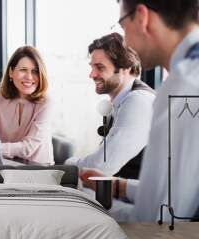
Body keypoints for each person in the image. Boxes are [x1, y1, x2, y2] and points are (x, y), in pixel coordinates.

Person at [80, 0, 199, 222]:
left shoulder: (184, 85)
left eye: (123, 26)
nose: (126, 42)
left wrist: (90, 207)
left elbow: (157, 221)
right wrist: (120, 187)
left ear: (142, 17)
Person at [66, 33, 155, 179]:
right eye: (92, 67)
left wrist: (69, 163)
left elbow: (102, 166)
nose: (92, 74)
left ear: (125, 68)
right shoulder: (121, 101)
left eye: (100, 67)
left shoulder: (138, 102)